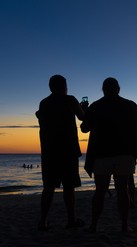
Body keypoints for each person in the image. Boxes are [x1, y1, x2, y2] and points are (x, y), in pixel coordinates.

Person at [81, 77, 137, 232]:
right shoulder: (129, 105)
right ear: (118, 89)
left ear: (103, 89)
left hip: (101, 154)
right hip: (124, 153)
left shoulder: (96, 107)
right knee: (122, 190)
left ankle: (93, 225)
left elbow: (84, 128)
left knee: (100, 192)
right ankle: (124, 226)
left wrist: (85, 111)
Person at [36, 74, 85, 231]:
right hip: (68, 151)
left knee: (48, 187)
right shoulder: (70, 100)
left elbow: (42, 121)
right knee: (69, 187)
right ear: (64, 86)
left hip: (49, 152)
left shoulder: (44, 103)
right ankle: (71, 220)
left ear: (50, 87)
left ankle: (43, 221)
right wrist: (84, 108)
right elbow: (83, 117)